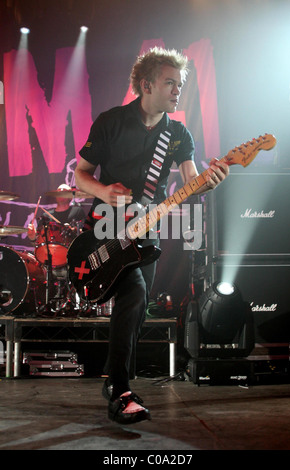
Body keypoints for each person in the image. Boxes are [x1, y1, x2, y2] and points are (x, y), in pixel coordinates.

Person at [75, 47, 229, 424]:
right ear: (146, 85)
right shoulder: (110, 122)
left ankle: (115, 382)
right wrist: (104, 191)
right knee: (136, 293)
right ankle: (121, 390)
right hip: (106, 228)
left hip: (147, 232)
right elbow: (81, 174)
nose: (178, 90)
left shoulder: (177, 134)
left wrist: (209, 183)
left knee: (137, 309)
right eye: (170, 83)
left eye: (181, 84)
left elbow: (192, 184)